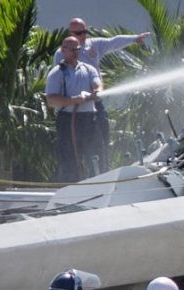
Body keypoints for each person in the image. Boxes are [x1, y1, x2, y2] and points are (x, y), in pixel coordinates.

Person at [54, 18, 150, 173]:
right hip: (72, 110)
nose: (83, 35)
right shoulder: (61, 54)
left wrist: (134, 38)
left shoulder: (94, 45)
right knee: (71, 154)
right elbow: (62, 77)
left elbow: (113, 41)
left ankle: (101, 174)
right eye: (79, 33)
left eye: (85, 31)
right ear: (70, 35)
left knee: (100, 145)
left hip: (94, 106)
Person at [45, 36, 102, 182]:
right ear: (63, 50)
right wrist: (72, 101)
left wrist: (96, 90)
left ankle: (96, 183)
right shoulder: (57, 73)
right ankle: (69, 186)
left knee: (95, 154)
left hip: (90, 119)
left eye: (77, 49)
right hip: (68, 121)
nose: (75, 52)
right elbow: (51, 100)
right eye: (71, 49)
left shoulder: (88, 69)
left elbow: (97, 83)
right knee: (69, 158)